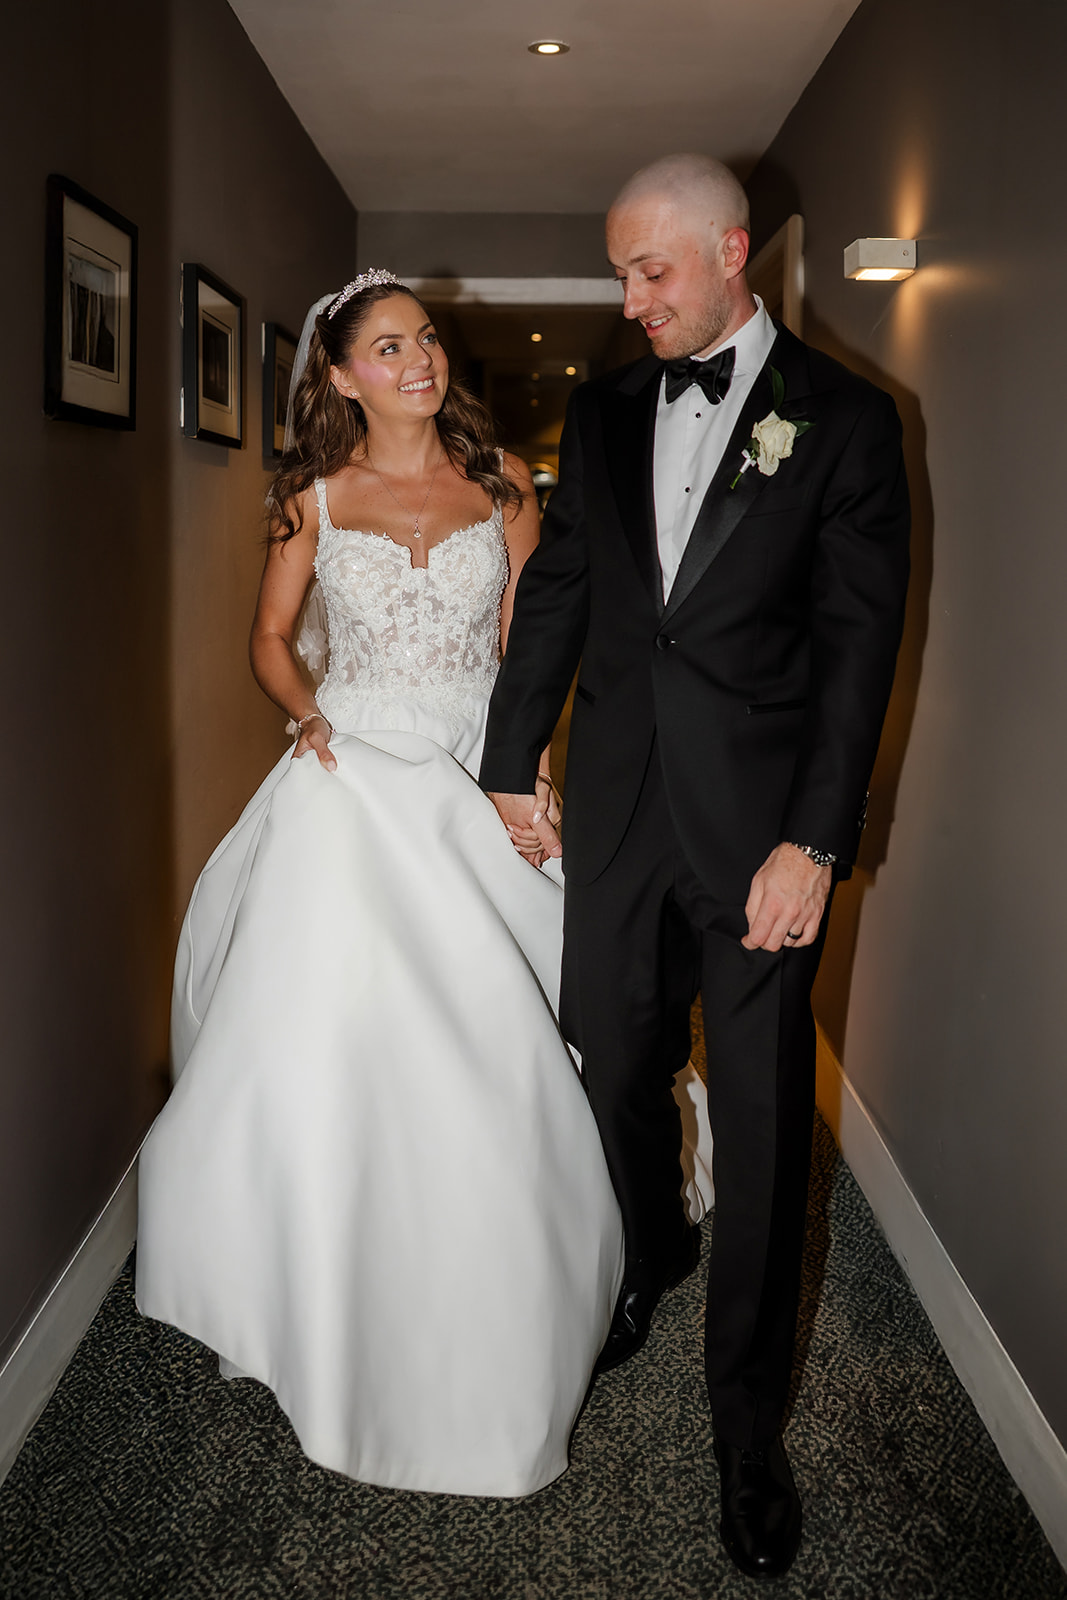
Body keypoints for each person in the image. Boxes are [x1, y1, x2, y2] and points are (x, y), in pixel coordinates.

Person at [136, 272, 647, 1498]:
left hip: (476, 764)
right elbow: (268, 638)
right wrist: (308, 716)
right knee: (336, 1025)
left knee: (504, 1025)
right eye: (386, 345)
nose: (416, 359)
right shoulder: (306, 496)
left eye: (424, 339)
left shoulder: (503, 488)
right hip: (351, 772)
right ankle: (323, 1263)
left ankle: (494, 1262)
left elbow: (535, 642)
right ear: (341, 374)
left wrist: (528, 772)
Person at [480, 155, 910, 1574]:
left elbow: (855, 652)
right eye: (617, 272)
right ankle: (651, 1249)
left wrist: (816, 841)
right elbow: (562, 591)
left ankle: (744, 1429)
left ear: (730, 252)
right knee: (604, 1046)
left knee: (769, 1115)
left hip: (758, 839)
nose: (629, 299)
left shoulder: (845, 422)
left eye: (649, 270)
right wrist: (503, 756)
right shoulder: (601, 406)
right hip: (609, 812)